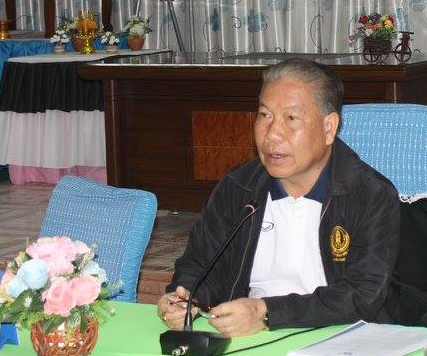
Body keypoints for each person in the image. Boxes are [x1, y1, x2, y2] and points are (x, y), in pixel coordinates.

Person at [157, 58, 400, 336]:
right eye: (265, 115)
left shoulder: (370, 195)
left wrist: (266, 313)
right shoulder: (239, 187)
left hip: (340, 338)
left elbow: (362, 296)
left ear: (329, 128)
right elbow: (200, 264)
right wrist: (186, 297)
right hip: (248, 337)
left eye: (291, 118)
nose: (272, 134)